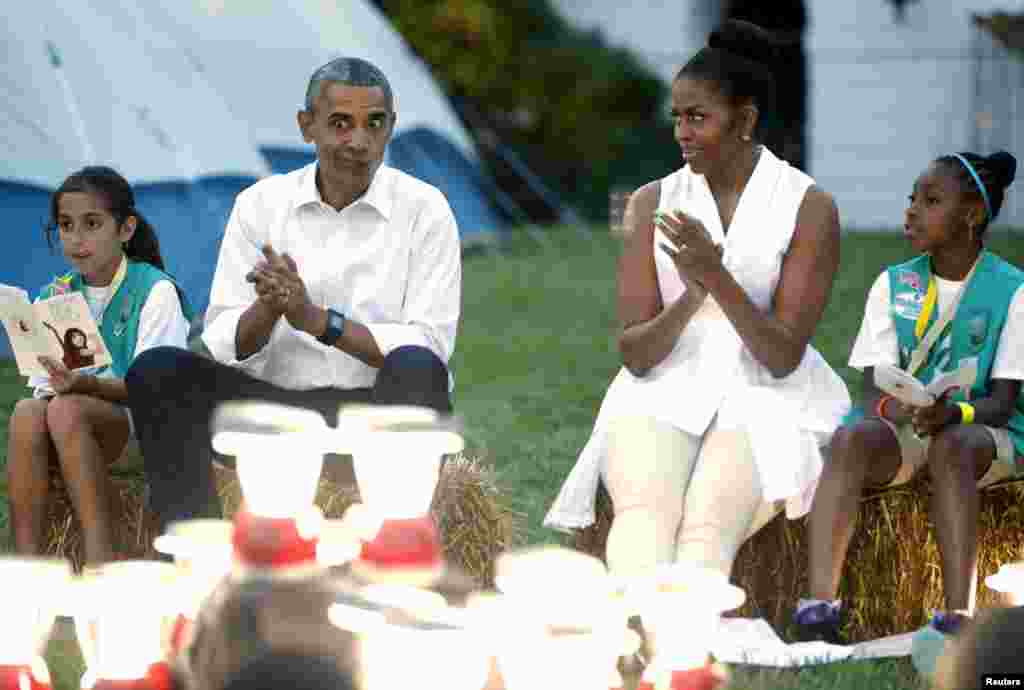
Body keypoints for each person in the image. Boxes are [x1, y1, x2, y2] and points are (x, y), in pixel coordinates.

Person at [544, 18, 850, 652]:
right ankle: (633, 642)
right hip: (664, 382)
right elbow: (633, 351)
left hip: (766, 392)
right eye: (676, 117)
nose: (681, 133)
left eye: (698, 118)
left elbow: (783, 355)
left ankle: (676, 648)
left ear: (745, 119)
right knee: (643, 516)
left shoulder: (807, 204)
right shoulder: (652, 201)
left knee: (706, 525)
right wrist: (692, 295)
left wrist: (717, 275)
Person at [125, 57, 461, 533]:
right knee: (158, 371)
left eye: (375, 124)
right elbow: (225, 342)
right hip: (270, 419)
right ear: (307, 127)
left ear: (391, 129)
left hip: (375, 419)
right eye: (340, 124)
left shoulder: (426, 209)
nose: (358, 142)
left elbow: (429, 346)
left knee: (418, 366)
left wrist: (317, 320)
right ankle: (198, 552)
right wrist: (268, 308)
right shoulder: (260, 204)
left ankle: (392, 548)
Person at [796, 151, 1021, 645]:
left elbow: (1003, 403)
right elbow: (874, 382)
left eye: (931, 200)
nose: (912, 211)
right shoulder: (895, 284)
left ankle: (958, 615)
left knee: (952, 446)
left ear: (972, 215)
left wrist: (951, 413)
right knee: (851, 436)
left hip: (983, 432)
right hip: (913, 428)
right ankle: (818, 609)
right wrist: (891, 407)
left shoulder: (1013, 290)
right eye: (911, 199)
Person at [5, 166, 193, 567]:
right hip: (71, 420)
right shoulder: (54, 293)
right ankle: (26, 568)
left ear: (125, 229)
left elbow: (156, 388)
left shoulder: (156, 290)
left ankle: (100, 559)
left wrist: (80, 387)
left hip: (143, 428)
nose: (77, 238)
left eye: (92, 224)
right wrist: (55, 378)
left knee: (66, 407)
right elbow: (43, 385)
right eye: (66, 226)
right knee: (27, 411)